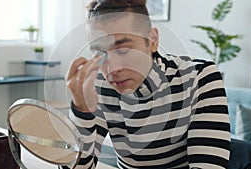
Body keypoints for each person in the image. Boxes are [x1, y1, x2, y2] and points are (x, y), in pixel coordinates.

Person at [66, 0, 231, 168]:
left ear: (152, 40)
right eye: (100, 53)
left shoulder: (199, 77)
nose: (112, 68)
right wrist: (81, 111)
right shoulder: (100, 87)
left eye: (123, 50)